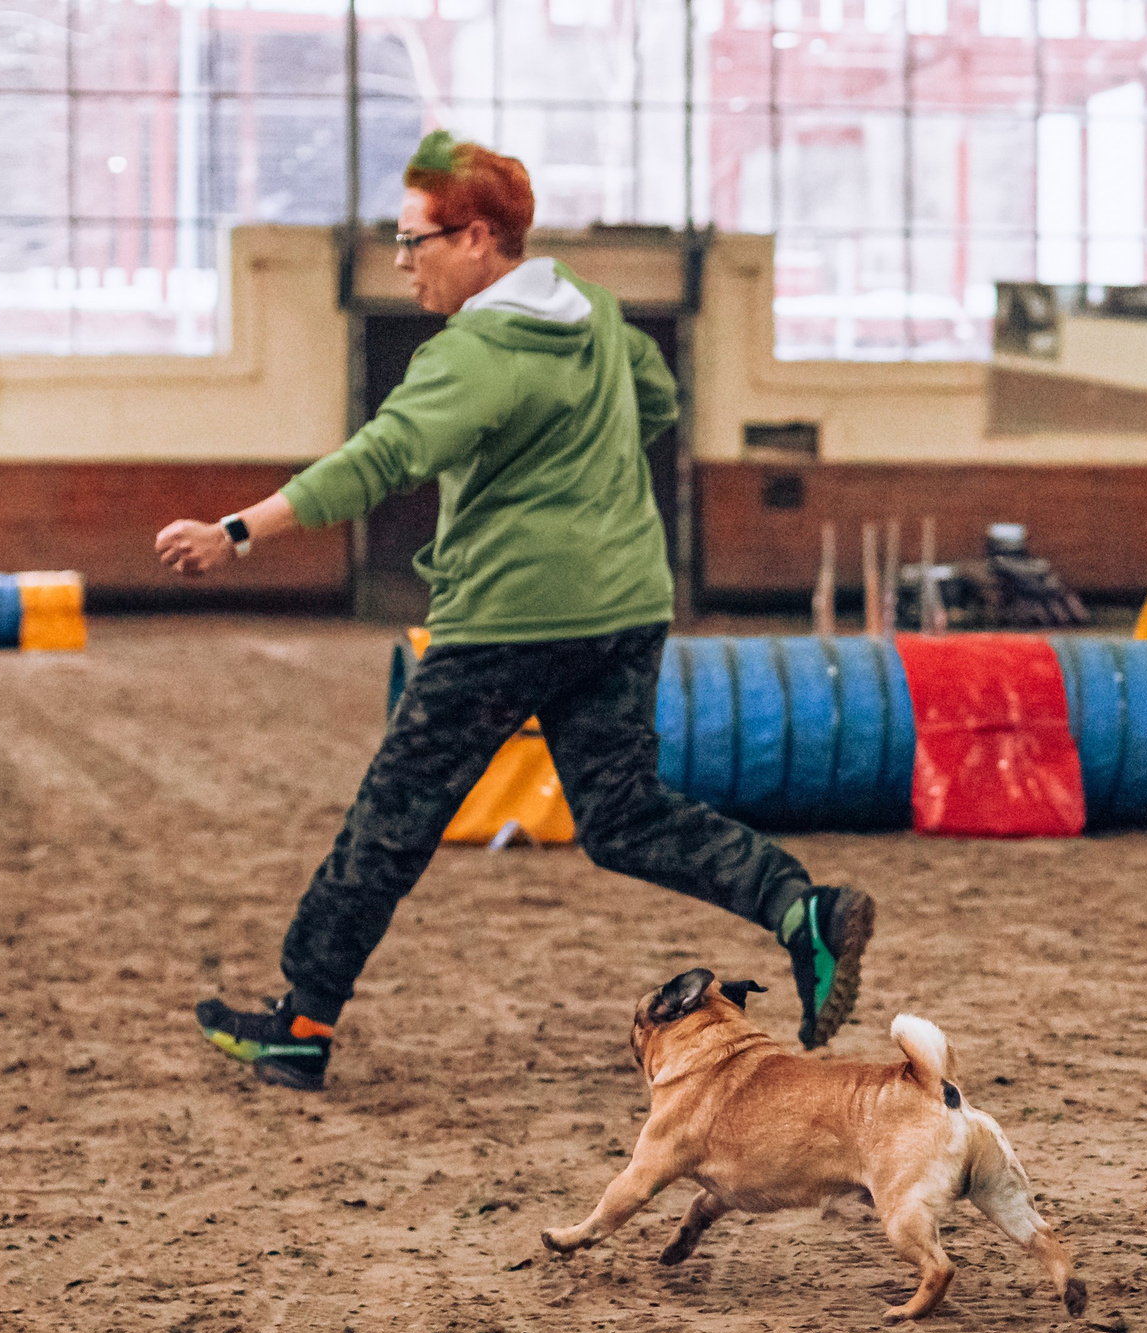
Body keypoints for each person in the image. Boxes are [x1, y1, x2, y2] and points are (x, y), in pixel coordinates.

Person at [156, 130, 875, 1091]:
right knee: (622, 816)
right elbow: (654, 403)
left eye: (416, 240)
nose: (402, 261)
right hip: (624, 605)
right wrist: (574, 457)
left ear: (480, 238)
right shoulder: (597, 311)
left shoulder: (477, 350)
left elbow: (379, 461)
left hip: (506, 621)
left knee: (391, 820)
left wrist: (235, 532)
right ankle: (799, 907)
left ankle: (301, 1022)